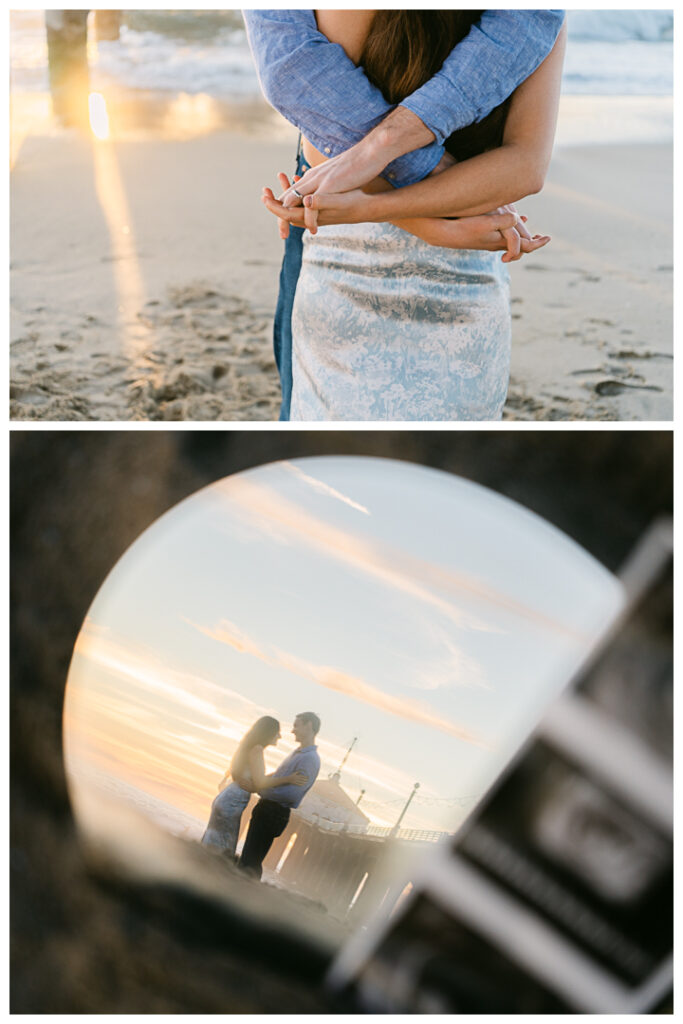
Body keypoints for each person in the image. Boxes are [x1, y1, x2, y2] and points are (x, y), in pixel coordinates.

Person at [243, 9, 566, 419]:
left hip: (354, 259)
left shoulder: (535, 18)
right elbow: (523, 169)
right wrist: (432, 220)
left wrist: (376, 206)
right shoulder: (537, 19)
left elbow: (323, 148)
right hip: (464, 259)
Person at [201, 716, 307, 860]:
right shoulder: (257, 749)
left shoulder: (251, 747)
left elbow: (256, 778)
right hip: (234, 800)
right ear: (268, 732)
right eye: (277, 732)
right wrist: (289, 778)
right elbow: (261, 782)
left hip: (229, 796)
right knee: (221, 846)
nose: (280, 736)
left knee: (214, 841)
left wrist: (274, 776)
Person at [239, 712, 321, 879]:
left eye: (296, 725)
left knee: (251, 861)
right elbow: (277, 776)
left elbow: (292, 794)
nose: (292, 731)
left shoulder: (310, 759)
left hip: (274, 813)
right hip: (267, 809)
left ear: (309, 726)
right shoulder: (298, 753)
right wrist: (259, 782)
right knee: (249, 858)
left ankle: (242, 894)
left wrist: (260, 789)